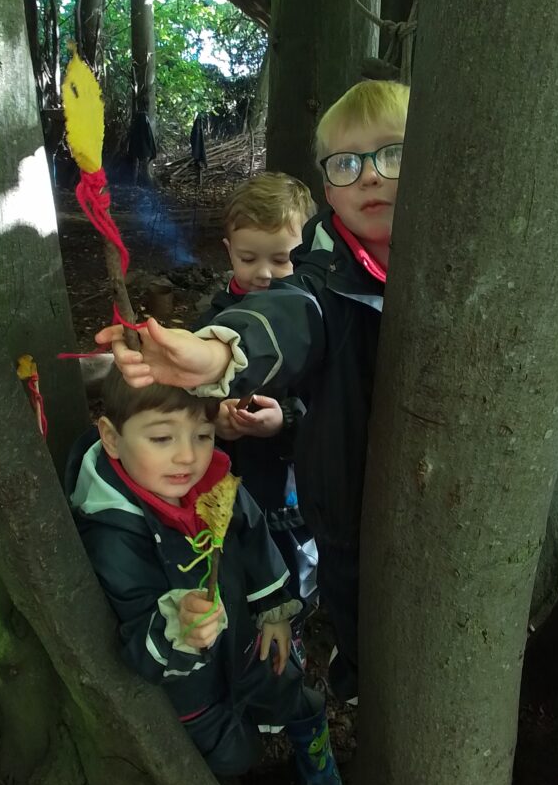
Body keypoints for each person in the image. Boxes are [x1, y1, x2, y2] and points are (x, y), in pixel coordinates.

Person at [97, 80, 409, 704]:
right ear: (328, 188)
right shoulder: (318, 278)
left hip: (423, 494)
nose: (370, 177)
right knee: (345, 596)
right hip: (331, 494)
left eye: (394, 154)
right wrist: (211, 361)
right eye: (347, 163)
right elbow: (289, 319)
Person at [65, 370, 346, 785]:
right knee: (232, 752)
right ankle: (244, 783)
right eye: (161, 437)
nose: (187, 456)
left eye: (202, 434)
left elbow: (255, 537)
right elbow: (134, 634)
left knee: (286, 689)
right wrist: (177, 628)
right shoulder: (115, 536)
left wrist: (274, 608)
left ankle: (317, 765)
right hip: (192, 682)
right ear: (112, 438)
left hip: (248, 639)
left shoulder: (215, 482)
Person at [199, 172, 319, 647]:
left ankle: (296, 624)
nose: (264, 272)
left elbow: (327, 405)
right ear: (229, 250)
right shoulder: (213, 319)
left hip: (290, 484)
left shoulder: (311, 319)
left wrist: (284, 420)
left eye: (282, 259)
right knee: (235, 552)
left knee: (292, 556)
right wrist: (216, 417)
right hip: (233, 480)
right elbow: (192, 398)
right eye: (249, 258)